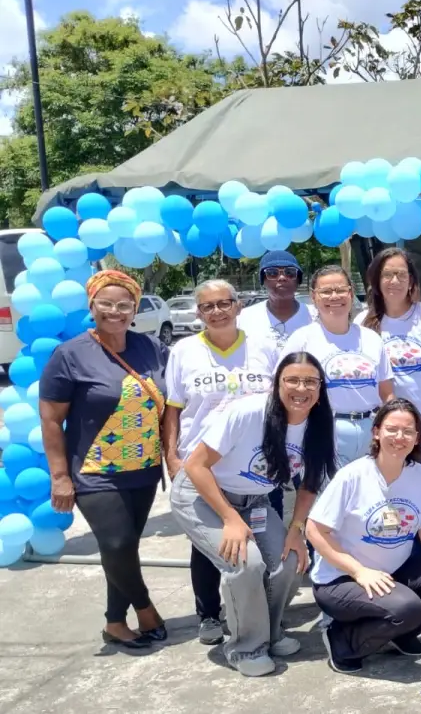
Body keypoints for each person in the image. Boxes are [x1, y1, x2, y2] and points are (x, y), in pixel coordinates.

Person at [170, 352, 338, 676]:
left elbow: (310, 484)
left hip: (254, 501)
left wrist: (296, 530)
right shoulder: (248, 412)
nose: (301, 388)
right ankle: (245, 647)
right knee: (246, 564)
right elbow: (196, 465)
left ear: (320, 389)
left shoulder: (318, 423)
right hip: (203, 496)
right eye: (292, 380)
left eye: (310, 382)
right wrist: (229, 518)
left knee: (290, 560)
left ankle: (269, 634)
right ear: (277, 384)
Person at [38, 270, 170, 650]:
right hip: (94, 472)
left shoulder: (151, 348)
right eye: (106, 304)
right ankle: (146, 610)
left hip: (144, 470)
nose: (115, 311)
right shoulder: (70, 354)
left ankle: (115, 622)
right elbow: (51, 420)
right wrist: (60, 477)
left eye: (124, 304)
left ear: (135, 308)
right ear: (92, 306)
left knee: (125, 549)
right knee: (116, 543)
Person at [307, 399, 421, 674]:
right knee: (407, 608)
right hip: (341, 580)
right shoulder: (353, 476)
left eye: (408, 431)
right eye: (392, 429)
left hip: (391, 573)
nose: (399, 437)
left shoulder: (418, 475)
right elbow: (314, 530)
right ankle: (342, 641)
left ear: (417, 437)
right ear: (376, 432)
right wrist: (359, 572)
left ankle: (400, 633)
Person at [163, 280, 273, 647]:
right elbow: (173, 408)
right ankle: (209, 614)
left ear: (238, 306)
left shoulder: (263, 346)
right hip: (203, 463)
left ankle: (262, 615)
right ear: (198, 313)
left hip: (254, 463)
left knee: (258, 543)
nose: (217, 311)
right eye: (207, 306)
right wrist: (172, 457)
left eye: (224, 303)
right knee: (207, 546)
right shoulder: (184, 351)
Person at [253, 266, 393, 466]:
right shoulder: (302, 338)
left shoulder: (371, 338)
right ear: (314, 297)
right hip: (323, 428)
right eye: (326, 291)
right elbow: (280, 387)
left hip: (370, 429)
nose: (334, 296)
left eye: (341, 290)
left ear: (351, 293)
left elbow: (387, 393)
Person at [357, 248, 421, 489]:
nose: (395, 281)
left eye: (401, 274)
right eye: (387, 274)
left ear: (411, 280)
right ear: (376, 280)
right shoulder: (362, 322)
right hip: (383, 427)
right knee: (385, 493)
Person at [238, 250, 312, 350]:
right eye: (272, 273)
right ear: (263, 280)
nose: (282, 277)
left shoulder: (317, 316)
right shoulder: (245, 318)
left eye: (290, 273)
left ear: (298, 279)